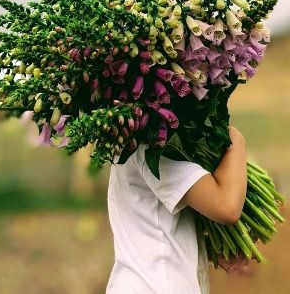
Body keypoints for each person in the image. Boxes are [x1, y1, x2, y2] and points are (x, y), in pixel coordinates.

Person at [106, 125, 249, 293]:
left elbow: (158, 216)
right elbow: (227, 207)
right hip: (157, 285)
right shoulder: (154, 146)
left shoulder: (134, 143)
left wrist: (206, 247)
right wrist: (235, 140)